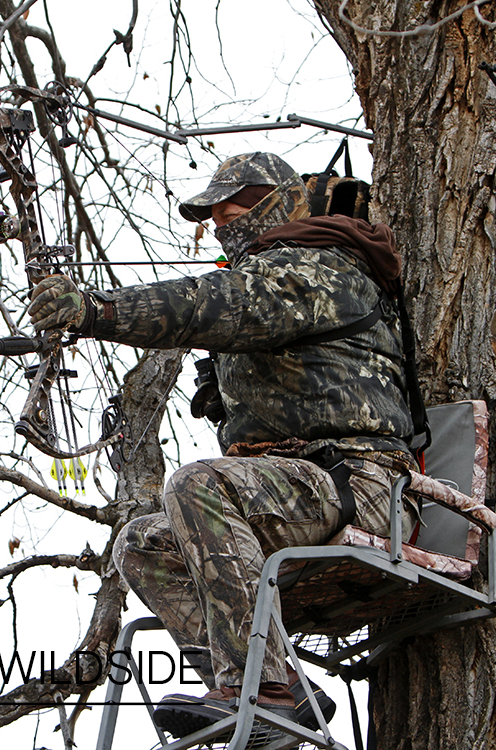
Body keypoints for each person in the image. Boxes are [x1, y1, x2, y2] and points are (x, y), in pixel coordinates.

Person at [27, 152, 416, 738]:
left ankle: (260, 691)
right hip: (299, 489)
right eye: (209, 214)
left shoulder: (320, 268)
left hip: (362, 484)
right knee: (141, 542)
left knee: (197, 485)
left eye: (228, 206)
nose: (217, 223)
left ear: (272, 200)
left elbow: (220, 304)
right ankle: (281, 696)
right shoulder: (275, 274)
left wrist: (100, 311)